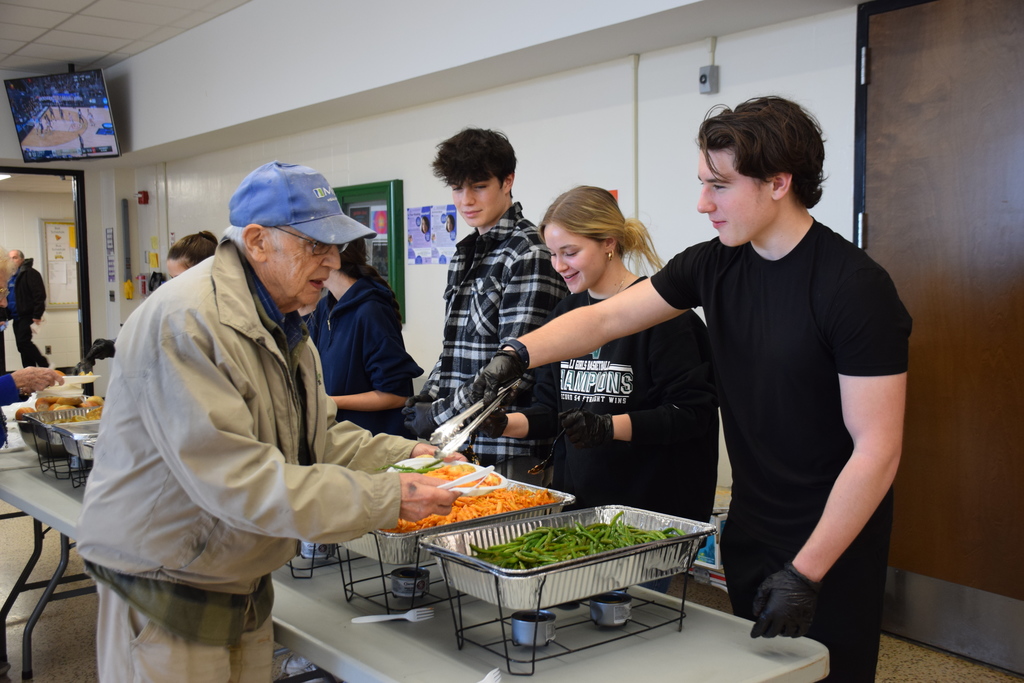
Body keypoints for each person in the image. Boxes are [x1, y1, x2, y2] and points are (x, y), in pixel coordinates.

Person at [471, 97, 912, 682]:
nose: (702, 203)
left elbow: (876, 448)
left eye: (719, 185)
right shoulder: (714, 264)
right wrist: (517, 354)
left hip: (832, 536)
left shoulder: (853, 288)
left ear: (779, 182)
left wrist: (807, 572)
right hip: (754, 526)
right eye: (702, 182)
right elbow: (604, 319)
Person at [76, 161, 462, 682]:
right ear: (257, 241)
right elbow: (239, 481)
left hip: (237, 571)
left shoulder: (286, 321)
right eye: (315, 246)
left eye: (336, 247)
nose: (332, 261)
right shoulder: (187, 323)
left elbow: (316, 435)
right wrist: (388, 498)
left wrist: (406, 456)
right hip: (168, 579)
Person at [481, 186, 719, 531]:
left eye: (570, 252)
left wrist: (608, 427)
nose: (559, 266)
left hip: (650, 511)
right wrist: (504, 423)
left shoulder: (666, 318)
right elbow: (552, 412)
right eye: (552, 254)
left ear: (609, 242)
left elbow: (692, 415)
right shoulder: (565, 313)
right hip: (582, 506)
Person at [403, 128, 568, 481]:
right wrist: (426, 399)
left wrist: (440, 413)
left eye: (478, 186)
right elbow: (454, 352)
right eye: (457, 188)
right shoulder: (464, 254)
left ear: (507, 182)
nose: (466, 200)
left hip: (509, 448)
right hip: (458, 445)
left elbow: (517, 371)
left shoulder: (530, 253)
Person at [307, 236, 423, 436]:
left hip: (376, 446)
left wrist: (329, 402)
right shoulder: (325, 308)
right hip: (341, 442)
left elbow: (396, 396)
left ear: (331, 258)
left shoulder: (371, 311)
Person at [7, 250, 49, 368]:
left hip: (27, 314)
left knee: (23, 342)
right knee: (21, 346)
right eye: (10, 258)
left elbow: (39, 295)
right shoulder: (11, 276)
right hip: (16, 316)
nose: (12, 260)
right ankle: (29, 370)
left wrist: (37, 314)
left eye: (15, 258)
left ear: (21, 259)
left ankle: (44, 364)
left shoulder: (30, 273)